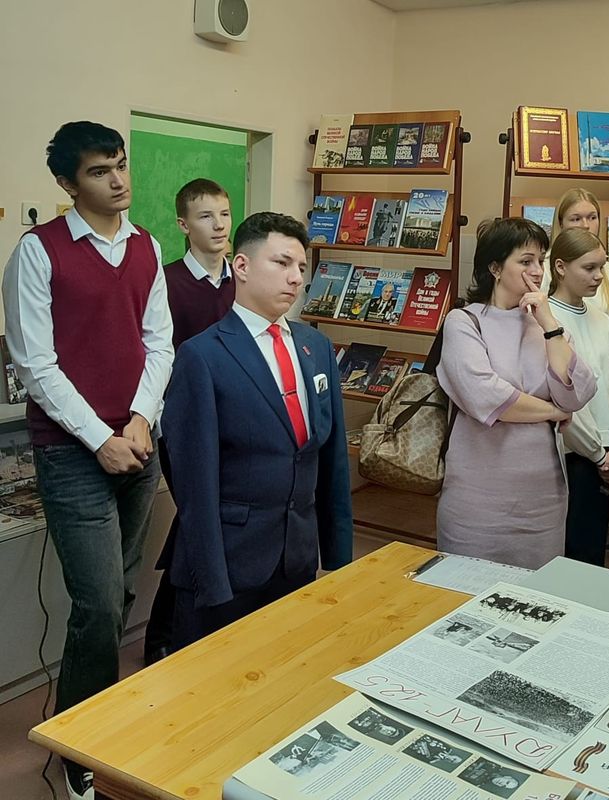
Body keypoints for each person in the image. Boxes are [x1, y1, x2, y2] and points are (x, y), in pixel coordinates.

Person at [1, 120, 173, 800]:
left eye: (121, 164)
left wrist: (140, 420)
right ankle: (80, 747)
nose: (118, 179)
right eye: (100, 171)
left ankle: (99, 720)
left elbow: (159, 342)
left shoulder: (146, 245)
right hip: (74, 452)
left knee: (121, 591)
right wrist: (99, 437)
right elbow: (34, 362)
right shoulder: (38, 251)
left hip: (137, 440)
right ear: (68, 184)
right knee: (98, 602)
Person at [162, 212, 352, 647]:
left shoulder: (317, 347)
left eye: (301, 267)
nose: (296, 278)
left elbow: (332, 460)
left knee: (288, 666)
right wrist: (211, 578)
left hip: (296, 555)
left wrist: (338, 555)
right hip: (230, 561)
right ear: (242, 266)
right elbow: (194, 481)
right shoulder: (202, 356)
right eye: (282, 263)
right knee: (217, 676)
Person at [436, 217, 596, 569]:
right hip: (478, 501)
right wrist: (552, 412)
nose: (537, 271)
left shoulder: (546, 327)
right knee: (464, 590)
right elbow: (486, 396)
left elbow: (578, 394)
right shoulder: (464, 321)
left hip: (543, 501)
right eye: (526, 261)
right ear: (495, 268)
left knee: (538, 593)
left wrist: (549, 323)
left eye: (540, 260)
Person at [144, 177, 236, 666]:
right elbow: (154, 354)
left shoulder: (242, 279)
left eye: (224, 214)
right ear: (183, 225)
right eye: (205, 216)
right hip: (183, 427)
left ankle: (193, 628)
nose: (218, 225)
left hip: (236, 425)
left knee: (210, 521)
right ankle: (163, 634)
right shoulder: (167, 282)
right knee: (198, 520)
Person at [547, 228, 609, 565]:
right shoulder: (547, 319)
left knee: (591, 553)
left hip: (606, 454)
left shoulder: (600, 318)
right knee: (564, 554)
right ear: (560, 267)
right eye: (589, 268)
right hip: (570, 454)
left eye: (602, 267)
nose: (599, 276)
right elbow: (563, 400)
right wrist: (599, 454)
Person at [543, 188, 609, 378]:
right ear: (561, 223)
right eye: (576, 219)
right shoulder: (543, 269)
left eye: (592, 217)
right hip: (562, 374)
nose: (585, 225)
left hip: (605, 373)